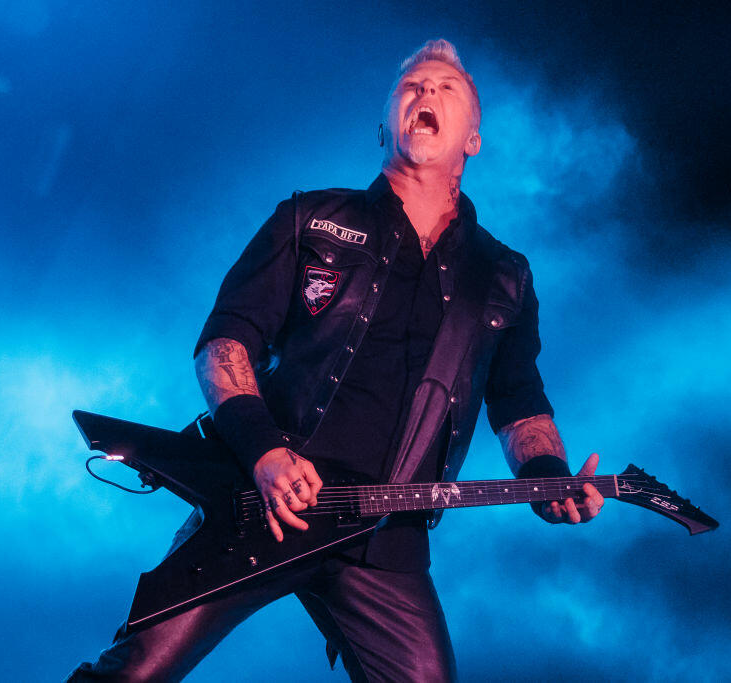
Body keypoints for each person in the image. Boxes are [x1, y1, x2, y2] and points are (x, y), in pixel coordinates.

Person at [69, 39, 604, 682]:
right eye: (411, 86)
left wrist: (548, 476)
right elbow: (224, 347)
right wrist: (265, 452)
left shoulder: (502, 275)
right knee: (131, 674)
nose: (426, 93)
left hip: (387, 538)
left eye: (446, 88)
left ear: (474, 140)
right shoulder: (309, 220)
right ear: (385, 127)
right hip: (262, 501)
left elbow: (519, 403)